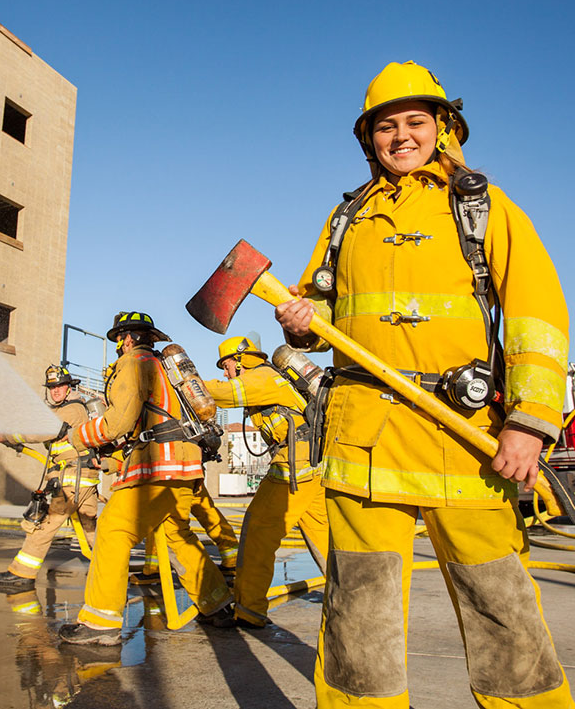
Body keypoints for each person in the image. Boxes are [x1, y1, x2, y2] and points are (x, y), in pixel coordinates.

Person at [275, 60, 572, 707]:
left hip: (465, 443)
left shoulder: (481, 208)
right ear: (369, 137)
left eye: (415, 121)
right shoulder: (346, 217)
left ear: (443, 126)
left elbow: (536, 315)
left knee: (504, 615)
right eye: (387, 126)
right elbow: (323, 308)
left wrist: (529, 421)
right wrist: (301, 322)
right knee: (358, 623)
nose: (401, 136)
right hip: (365, 448)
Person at [57, 311, 232, 645]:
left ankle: (100, 623)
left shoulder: (134, 363)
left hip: (155, 468)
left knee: (113, 531)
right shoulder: (167, 368)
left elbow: (118, 421)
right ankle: (218, 605)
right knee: (177, 534)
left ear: (126, 338)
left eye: (120, 341)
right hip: (186, 467)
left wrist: (79, 437)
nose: (119, 347)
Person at [203, 335, 328, 629]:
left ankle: (249, 610)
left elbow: (219, 394)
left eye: (226, 365)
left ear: (241, 360)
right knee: (325, 542)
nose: (225, 371)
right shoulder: (268, 378)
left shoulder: (261, 378)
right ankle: (351, 598)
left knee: (257, 535)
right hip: (312, 468)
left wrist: (183, 380)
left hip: (292, 470)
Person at [0, 365, 98, 591]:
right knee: (91, 531)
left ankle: (21, 573)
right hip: (80, 478)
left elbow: (43, 430)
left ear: (69, 388)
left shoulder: (73, 409)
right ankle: (112, 571)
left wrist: (7, 434)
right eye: (52, 387)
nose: (56, 391)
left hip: (72, 479)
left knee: (45, 525)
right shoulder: (64, 410)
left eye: (60, 386)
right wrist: (11, 441)